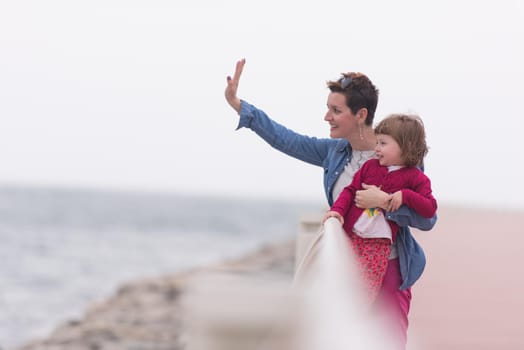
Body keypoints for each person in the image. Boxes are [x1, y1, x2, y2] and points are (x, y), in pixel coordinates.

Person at [224, 58, 437, 348]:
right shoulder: (334, 153)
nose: (327, 117)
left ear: (361, 114)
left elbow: (427, 219)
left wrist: (386, 202)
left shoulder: (400, 154)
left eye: (336, 110)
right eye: (328, 109)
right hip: (346, 268)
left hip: (389, 267)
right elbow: (286, 140)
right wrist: (239, 105)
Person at [322, 113, 437, 304]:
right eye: (377, 142)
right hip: (350, 235)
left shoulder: (416, 178)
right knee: (341, 282)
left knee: (365, 293)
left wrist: (406, 196)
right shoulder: (369, 167)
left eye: (383, 143)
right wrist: (337, 211)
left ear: (405, 146)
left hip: (378, 246)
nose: (376, 148)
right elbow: (350, 191)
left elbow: (430, 209)